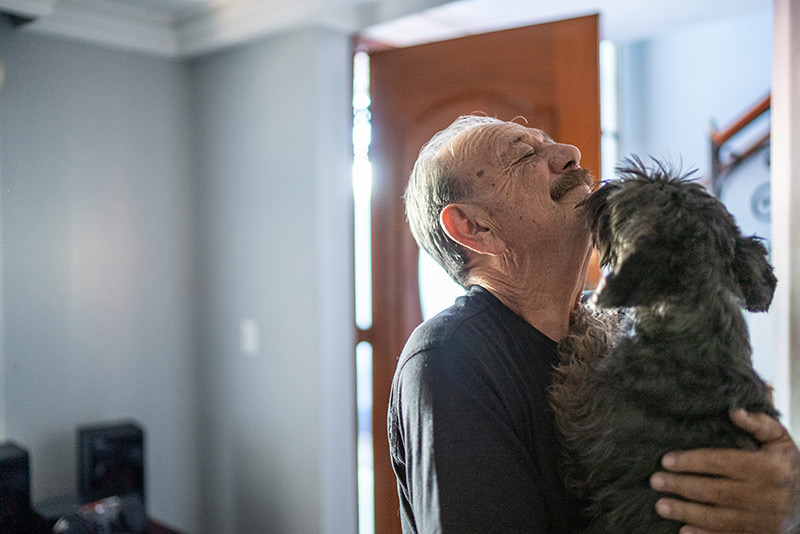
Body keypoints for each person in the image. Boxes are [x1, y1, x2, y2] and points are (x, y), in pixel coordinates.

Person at [388, 114, 800, 533]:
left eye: (550, 142)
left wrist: (787, 498)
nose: (570, 154)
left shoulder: (630, 325)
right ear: (474, 227)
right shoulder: (450, 359)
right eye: (525, 154)